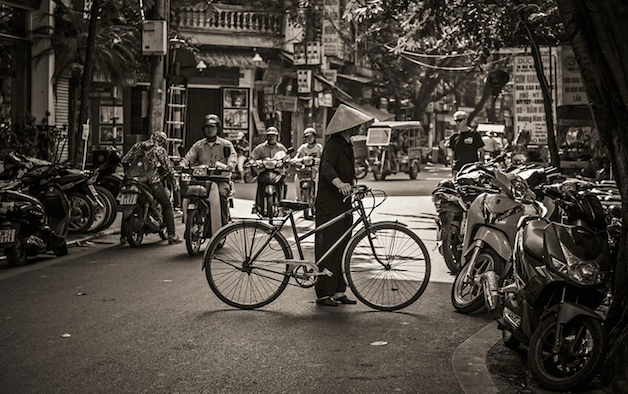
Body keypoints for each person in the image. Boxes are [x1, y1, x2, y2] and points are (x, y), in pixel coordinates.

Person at [314, 104, 373, 306]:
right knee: (329, 249)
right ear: (348, 127)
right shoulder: (334, 144)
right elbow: (327, 168)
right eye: (356, 125)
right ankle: (323, 293)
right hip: (329, 204)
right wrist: (339, 183)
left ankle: (338, 290)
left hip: (344, 204)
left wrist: (354, 187)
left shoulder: (347, 144)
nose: (359, 127)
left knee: (342, 247)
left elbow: (347, 173)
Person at [121, 131, 182, 244]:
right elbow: (167, 168)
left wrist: (131, 173)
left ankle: (123, 237)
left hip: (132, 181)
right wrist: (173, 180)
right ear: (163, 141)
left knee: (128, 203)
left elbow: (124, 160)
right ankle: (172, 235)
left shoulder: (137, 146)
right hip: (151, 182)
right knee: (167, 206)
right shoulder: (159, 150)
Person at [179, 114, 237, 226]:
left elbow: (232, 156)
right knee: (189, 194)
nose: (209, 130)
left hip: (220, 179)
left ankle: (223, 226)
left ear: (217, 128)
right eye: (207, 127)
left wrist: (230, 164)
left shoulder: (226, 144)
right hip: (201, 179)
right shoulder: (199, 145)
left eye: (212, 127)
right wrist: (182, 164)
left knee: (221, 196)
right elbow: (189, 157)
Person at [249, 126, 288, 213]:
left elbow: (287, 158)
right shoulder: (260, 148)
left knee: (283, 184)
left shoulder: (281, 148)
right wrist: (252, 162)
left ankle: (283, 205)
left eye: (273, 135)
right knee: (260, 185)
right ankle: (257, 205)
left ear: (276, 136)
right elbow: (252, 157)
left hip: (277, 172)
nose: (271, 137)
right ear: (267, 136)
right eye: (269, 135)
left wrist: (286, 162)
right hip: (264, 171)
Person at [294, 127, 323, 198]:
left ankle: (318, 196)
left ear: (314, 137)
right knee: (296, 178)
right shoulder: (303, 147)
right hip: (304, 169)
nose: (309, 139)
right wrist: (294, 160)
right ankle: (298, 197)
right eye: (307, 137)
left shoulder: (319, 147)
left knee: (319, 180)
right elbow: (296, 156)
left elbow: (323, 157)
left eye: (311, 137)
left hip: (315, 170)